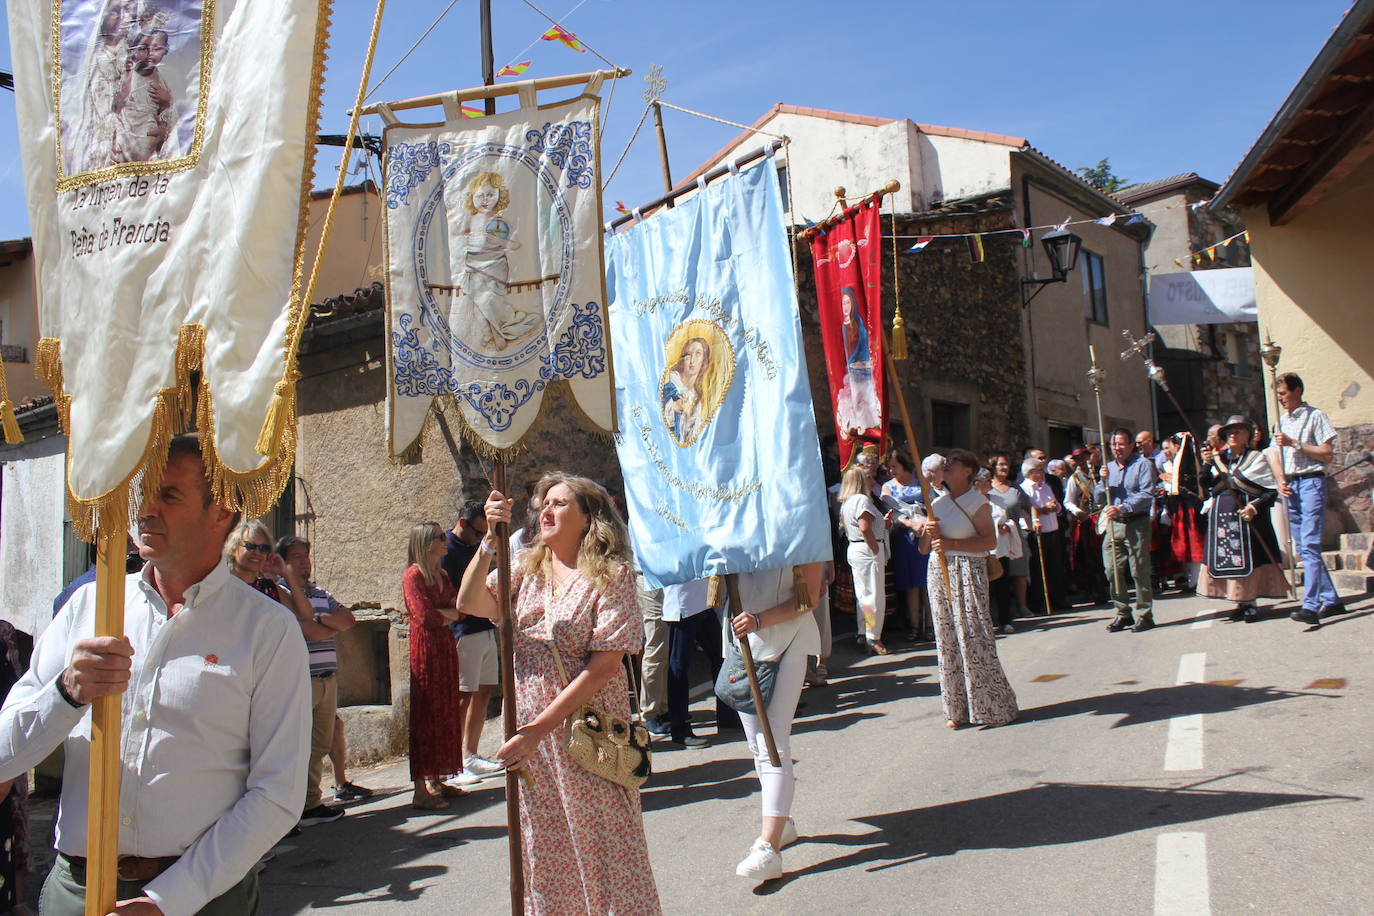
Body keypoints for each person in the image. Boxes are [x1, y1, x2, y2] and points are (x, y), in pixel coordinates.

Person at [0, 435, 311, 914]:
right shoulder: (90, 607)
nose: (144, 509)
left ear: (222, 511)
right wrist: (65, 694)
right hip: (77, 887)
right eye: (139, 493)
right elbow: (4, 757)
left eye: (167, 495)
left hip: (201, 894)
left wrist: (168, 901)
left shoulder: (266, 629)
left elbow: (277, 793)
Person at [457, 474, 661, 915]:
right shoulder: (524, 569)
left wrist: (537, 729)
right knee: (547, 850)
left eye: (561, 503)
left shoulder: (612, 576)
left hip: (587, 733)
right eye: (543, 503)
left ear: (588, 517)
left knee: (605, 846)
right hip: (534, 743)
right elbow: (471, 602)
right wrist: (490, 542)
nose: (545, 511)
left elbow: (603, 666)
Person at [725, 562, 825, 883]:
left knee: (774, 744)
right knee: (757, 745)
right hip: (743, 640)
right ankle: (782, 824)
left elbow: (809, 596)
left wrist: (759, 619)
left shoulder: (802, 522)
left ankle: (769, 846)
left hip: (790, 638)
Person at [920, 450, 1019, 728]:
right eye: (945, 464)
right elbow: (924, 549)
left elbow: (988, 541)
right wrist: (928, 534)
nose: (946, 466)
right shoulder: (936, 504)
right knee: (948, 639)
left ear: (967, 471)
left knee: (974, 636)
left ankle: (994, 706)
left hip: (967, 571)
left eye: (953, 463)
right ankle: (957, 709)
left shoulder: (978, 502)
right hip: (939, 573)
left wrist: (952, 544)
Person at [275, 535, 359, 823]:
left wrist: (321, 622)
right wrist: (324, 627)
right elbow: (305, 632)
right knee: (299, 745)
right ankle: (298, 806)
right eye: (296, 557)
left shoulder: (321, 592)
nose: (304, 562)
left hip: (327, 678)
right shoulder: (278, 591)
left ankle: (309, 803)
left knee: (320, 743)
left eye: (306, 556)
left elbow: (348, 620)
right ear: (283, 562)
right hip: (302, 679)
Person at [1197, 416, 1289, 622]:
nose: (1232, 435)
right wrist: (1206, 464)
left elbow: (1269, 492)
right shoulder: (1220, 458)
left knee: (1249, 560)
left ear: (1247, 435)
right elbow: (1206, 484)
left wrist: (1254, 508)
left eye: (1237, 431)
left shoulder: (1256, 458)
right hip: (1223, 518)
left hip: (1249, 520)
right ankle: (1239, 601)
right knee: (1228, 558)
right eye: (1229, 432)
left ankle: (1250, 603)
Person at [403, 521, 468, 810]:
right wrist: (448, 614)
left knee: (445, 711)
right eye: (441, 537)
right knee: (426, 715)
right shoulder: (413, 576)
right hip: (426, 649)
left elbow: (462, 610)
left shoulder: (441, 574)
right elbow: (425, 617)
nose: (446, 541)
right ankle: (420, 789)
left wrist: (446, 614)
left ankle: (437, 779)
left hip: (444, 646)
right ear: (427, 543)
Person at [441, 500, 504, 783]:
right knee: (463, 696)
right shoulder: (446, 549)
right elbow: (448, 592)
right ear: (463, 523)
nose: (480, 539)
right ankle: (451, 762)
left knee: (484, 691)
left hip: (485, 626)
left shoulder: (471, 547)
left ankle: (470, 754)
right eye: (477, 533)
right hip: (464, 632)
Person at [1272, 372, 1343, 623]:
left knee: (1311, 544)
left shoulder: (1316, 415)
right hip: (1291, 484)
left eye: (1283, 393)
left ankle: (1311, 605)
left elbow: (1327, 453)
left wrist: (1296, 443)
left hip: (1311, 480)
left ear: (1297, 391)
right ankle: (1331, 600)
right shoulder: (1280, 421)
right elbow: (1276, 456)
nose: (1280, 398)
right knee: (1303, 547)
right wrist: (1280, 479)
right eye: (1278, 394)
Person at [1095, 428, 1158, 632]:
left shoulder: (1143, 465)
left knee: (1139, 569)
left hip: (1136, 522)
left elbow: (1147, 494)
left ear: (1131, 445)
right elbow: (1097, 499)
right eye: (1114, 444)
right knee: (1112, 569)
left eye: (1121, 444)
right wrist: (1102, 481)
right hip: (1114, 524)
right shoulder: (1109, 468)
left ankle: (1144, 614)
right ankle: (1122, 612)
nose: (1117, 448)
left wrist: (1123, 507)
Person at [838, 465, 890, 654]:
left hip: (857, 547)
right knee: (873, 595)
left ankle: (864, 631)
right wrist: (875, 549)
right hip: (867, 548)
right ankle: (873, 635)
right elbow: (865, 526)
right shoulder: (861, 500)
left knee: (863, 594)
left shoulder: (847, 502)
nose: (871, 480)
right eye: (867, 477)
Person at [882, 449, 931, 641]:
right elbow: (890, 511)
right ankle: (914, 625)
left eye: (894, 466)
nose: (891, 470)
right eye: (888, 467)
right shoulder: (888, 487)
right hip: (905, 537)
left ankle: (930, 625)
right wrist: (910, 523)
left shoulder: (921, 481)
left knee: (927, 581)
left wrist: (925, 522)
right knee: (912, 583)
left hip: (925, 533)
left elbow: (932, 502)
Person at [113, 28, 174, 163]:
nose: (150, 54)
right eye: (144, 48)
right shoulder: (128, 74)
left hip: (147, 139)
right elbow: (116, 105)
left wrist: (166, 100)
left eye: (156, 49)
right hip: (126, 135)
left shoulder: (161, 80)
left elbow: (167, 113)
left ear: (165, 50)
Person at [987, 452, 1033, 618]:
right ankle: (995, 611)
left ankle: (1022, 606)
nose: (1005, 468)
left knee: (1019, 572)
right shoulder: (987, 488)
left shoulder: (1015, 488)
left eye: (1007, 465)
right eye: (1001, 464)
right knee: (996, 575)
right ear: (993, 467)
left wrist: (1034, 522)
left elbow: (1029, 506)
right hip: (995, 537)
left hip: (1014, 535)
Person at [975, 468, 1020, 634]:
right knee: (983, 588)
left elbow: (1007, 519)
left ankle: (1005, 620)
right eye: (986, 481)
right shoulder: (972, 502)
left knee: (1003, 585)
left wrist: (1005, 526)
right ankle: (984, 622)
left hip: (999, 549)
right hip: (981, 550)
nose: (990, 484)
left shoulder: (998, 500)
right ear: (977, 484)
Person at [1020, 457, 1067, 614]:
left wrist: (1055, 507)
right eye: (1040, 469)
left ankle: (1058, 599)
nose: (1043, 472)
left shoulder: (1046, 486)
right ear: (1031, 472)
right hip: (1036, 533)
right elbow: (1026, 511)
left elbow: (1058, 507)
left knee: (1055, 567)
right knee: (1038, 570)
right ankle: (1038, 602)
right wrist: (1043, 509)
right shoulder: (1024, 489)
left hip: (1053, 530)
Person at [835, 286, 881, 439]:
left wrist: (862, 360)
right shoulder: (842, 326)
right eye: (843, 303)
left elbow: (863, 345)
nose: (845, 307)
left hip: (859, 369)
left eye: (848, 303)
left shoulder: (858, 323)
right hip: (848, 371)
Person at [1162, 433, 1205, 593]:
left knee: (1194, 544)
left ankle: (1196, 581)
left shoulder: (1189, 465)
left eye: (1172, 445)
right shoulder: (1175, 464)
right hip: (1182, 509)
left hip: (1190, 508)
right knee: (1186, 546)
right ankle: (1191, 579)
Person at [1064, 446, 1108, 604]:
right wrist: (1077, 511)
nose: (1082, 460)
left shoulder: (1097, 473)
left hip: (1103, 516)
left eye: (1084, 457)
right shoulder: (1074, 479)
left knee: (1106, 554)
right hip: (1087, 520)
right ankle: (1096, 591)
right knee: (1091, 557)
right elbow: (1068, 501)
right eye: (1079, 458)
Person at [662, 337, 713, 446]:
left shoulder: (697, 398)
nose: (692, 360)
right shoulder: (670, 380)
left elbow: (691, 435)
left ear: (704, 360)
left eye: (698, 354)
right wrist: (673, 406)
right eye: (688, 354)